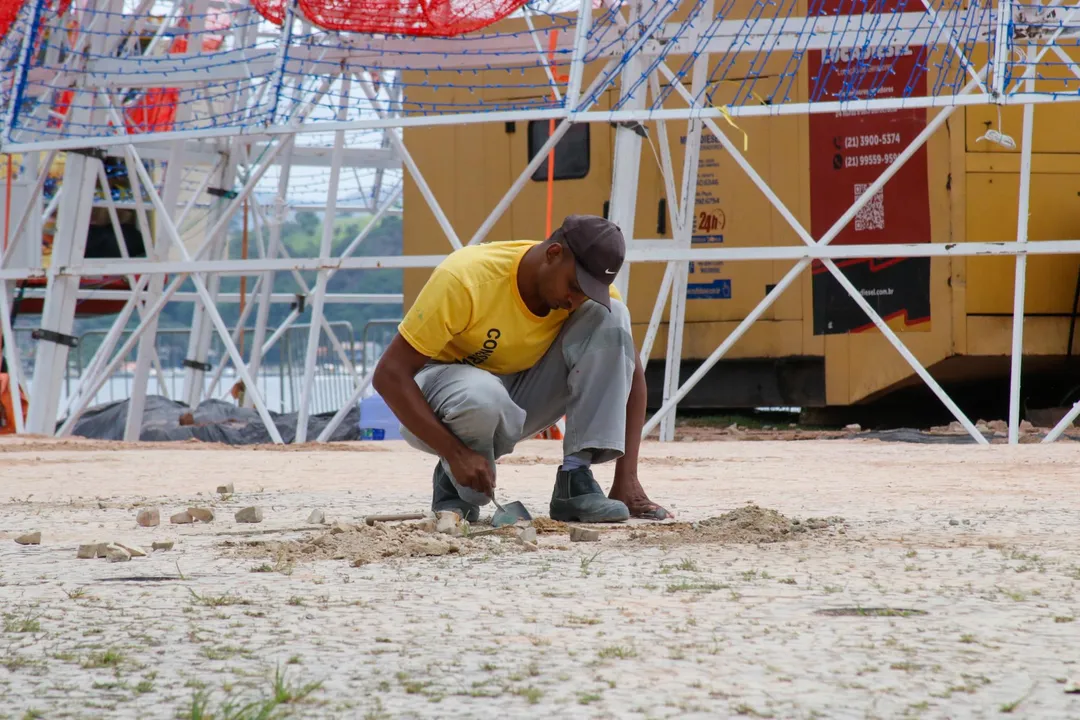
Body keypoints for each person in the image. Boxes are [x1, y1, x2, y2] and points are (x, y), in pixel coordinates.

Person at [373, 214, 671, 523]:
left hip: (515, 397)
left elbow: (631, 378)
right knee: (482, 395)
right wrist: (455, 453)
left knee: (612, 315)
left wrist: (627, 480)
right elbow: (389, 375)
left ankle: (575, 480)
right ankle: (453, 482)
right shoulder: (466, 277)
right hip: (443, 399)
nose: (575, 300)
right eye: (574, 285)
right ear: (553, 254)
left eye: (588, 291)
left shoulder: (584, 300)